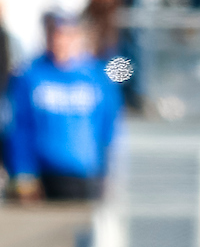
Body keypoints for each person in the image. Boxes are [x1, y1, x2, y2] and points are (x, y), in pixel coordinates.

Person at [6, 11, 121, 201]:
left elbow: (109, 127)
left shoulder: (98, 77)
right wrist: (22, 172)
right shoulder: (31, 75)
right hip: (45, 175)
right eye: (56, 35)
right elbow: (20, 127)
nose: (61, 42)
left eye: (67, 36)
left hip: (87, 173)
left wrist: (110, 171)